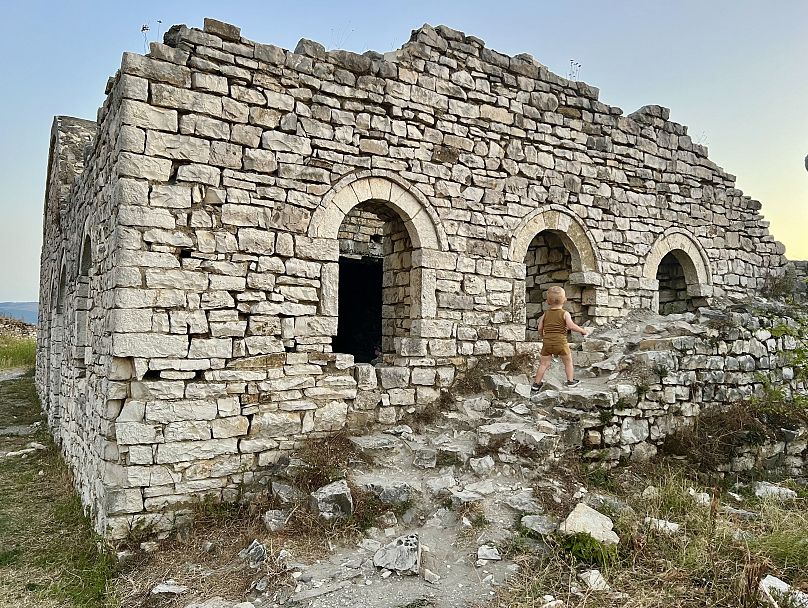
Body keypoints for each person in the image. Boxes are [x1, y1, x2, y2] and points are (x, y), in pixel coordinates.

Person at [531, 286, 589, 393]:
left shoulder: (546, 314)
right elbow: (571, 326)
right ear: (565, 300)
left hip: (547, 342)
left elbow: (540, 327)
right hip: (561, 343)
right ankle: (570, 381)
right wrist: (582, 330)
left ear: (548, 302)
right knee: (568, 361)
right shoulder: (565, 313)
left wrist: (542, 336)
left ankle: (536, 384)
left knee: (543, 364)